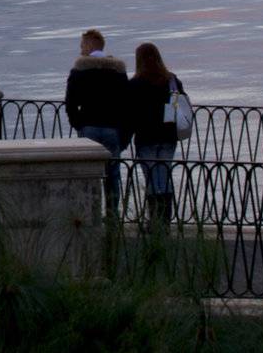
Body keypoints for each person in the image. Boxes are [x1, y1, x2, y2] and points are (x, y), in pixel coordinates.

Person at [64, 28, 130, 212]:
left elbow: (70, 102)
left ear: (89, 45)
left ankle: (90, 213)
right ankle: (112, 215)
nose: (80, 50)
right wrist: (124, 135)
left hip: (89, 127)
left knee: (88, 173)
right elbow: (127, 105)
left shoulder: (79, 71)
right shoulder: (118, 71)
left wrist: (78, 124)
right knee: (113, 174)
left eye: (82, 45)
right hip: (112, 128)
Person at [128, 42, 183, 223]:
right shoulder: (172, 81)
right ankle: (165, 219)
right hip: (168, 135)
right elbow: (178, 105)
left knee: (152, 179)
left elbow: (130, 113)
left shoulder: (135, 84)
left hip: (145, 137)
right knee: (164, 176)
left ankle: (155, 221)